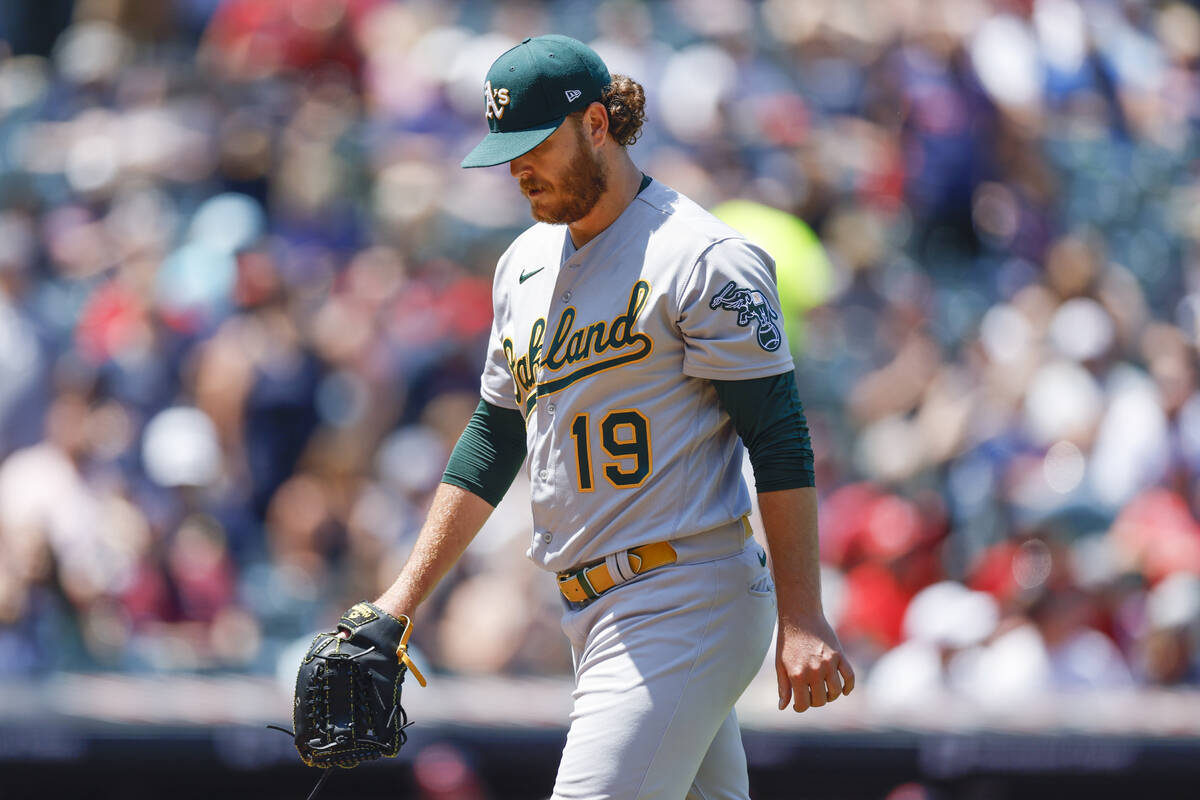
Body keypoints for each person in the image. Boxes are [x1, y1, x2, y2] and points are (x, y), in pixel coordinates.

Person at [373, 34, 853, 799]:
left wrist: (805, 614)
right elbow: (495, 439)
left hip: (683, 594)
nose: (518, 167)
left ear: (597, 123)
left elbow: (780, 438)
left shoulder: (700, 257)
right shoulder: (522, 264)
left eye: (536, 144)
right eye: (506, 148)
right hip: (593, 611)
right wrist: (400, 601)